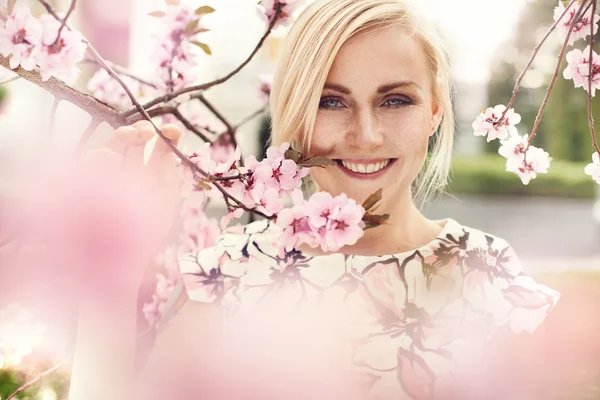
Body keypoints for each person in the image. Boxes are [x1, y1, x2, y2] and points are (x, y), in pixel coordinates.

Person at [69, 0, 560, 399]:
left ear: (433, 112)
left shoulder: (487, 272)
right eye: (330, 100)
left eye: (395, 100)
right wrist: (115, 265)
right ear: (292, 113)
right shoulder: (231, 273)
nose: (365, 135)